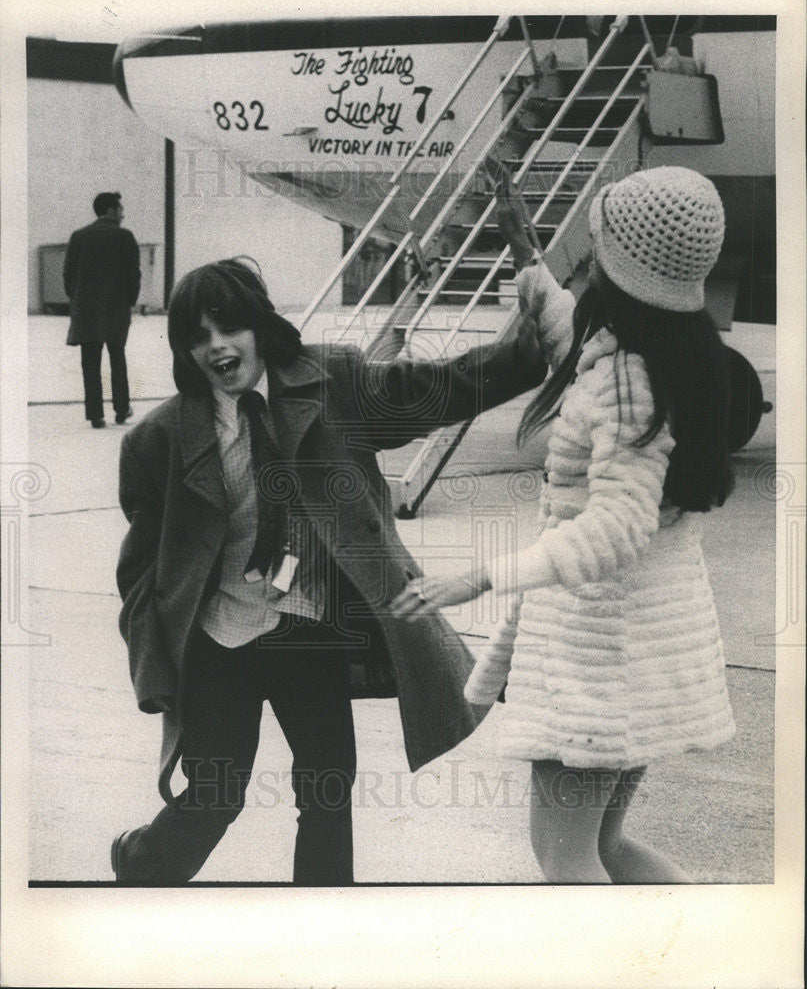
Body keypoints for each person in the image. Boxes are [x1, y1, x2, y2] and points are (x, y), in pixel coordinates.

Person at [110, 255, 550, 885]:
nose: (217, 348)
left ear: (260, 325)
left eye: (228, 328)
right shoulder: (159, 440)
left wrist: (530, 350)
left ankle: (324, 930)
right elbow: (141, 574)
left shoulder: (332, 382)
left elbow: (435, 389)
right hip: (216, 637)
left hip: (306, 626)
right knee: (215, 796)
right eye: (197, 338)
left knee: (326, 789)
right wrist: (151, 662)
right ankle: (139, 866)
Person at [391, 165, 737, 883]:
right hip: (641, 655)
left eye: (601, 238)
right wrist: (524, 253)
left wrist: (479, 576)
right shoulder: (671, 354)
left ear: (624, 264)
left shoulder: (626, 380)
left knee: (564, 858)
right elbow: (573, 349)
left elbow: (614, 529)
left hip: (596, 663)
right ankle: (707, 952)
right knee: (603, 849)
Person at [64, 191, 140, 428]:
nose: (123, 214)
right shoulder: (124, 237)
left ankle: (95, 414)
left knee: (89, 362)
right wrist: (129, 300)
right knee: (117, 359)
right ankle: (121, 409)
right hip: (115, 309)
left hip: (86, 310)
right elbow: (133, 274)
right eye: (120, 209)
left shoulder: (79, 236)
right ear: (110, 210)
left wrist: (76, 298)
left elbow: (68, 274)